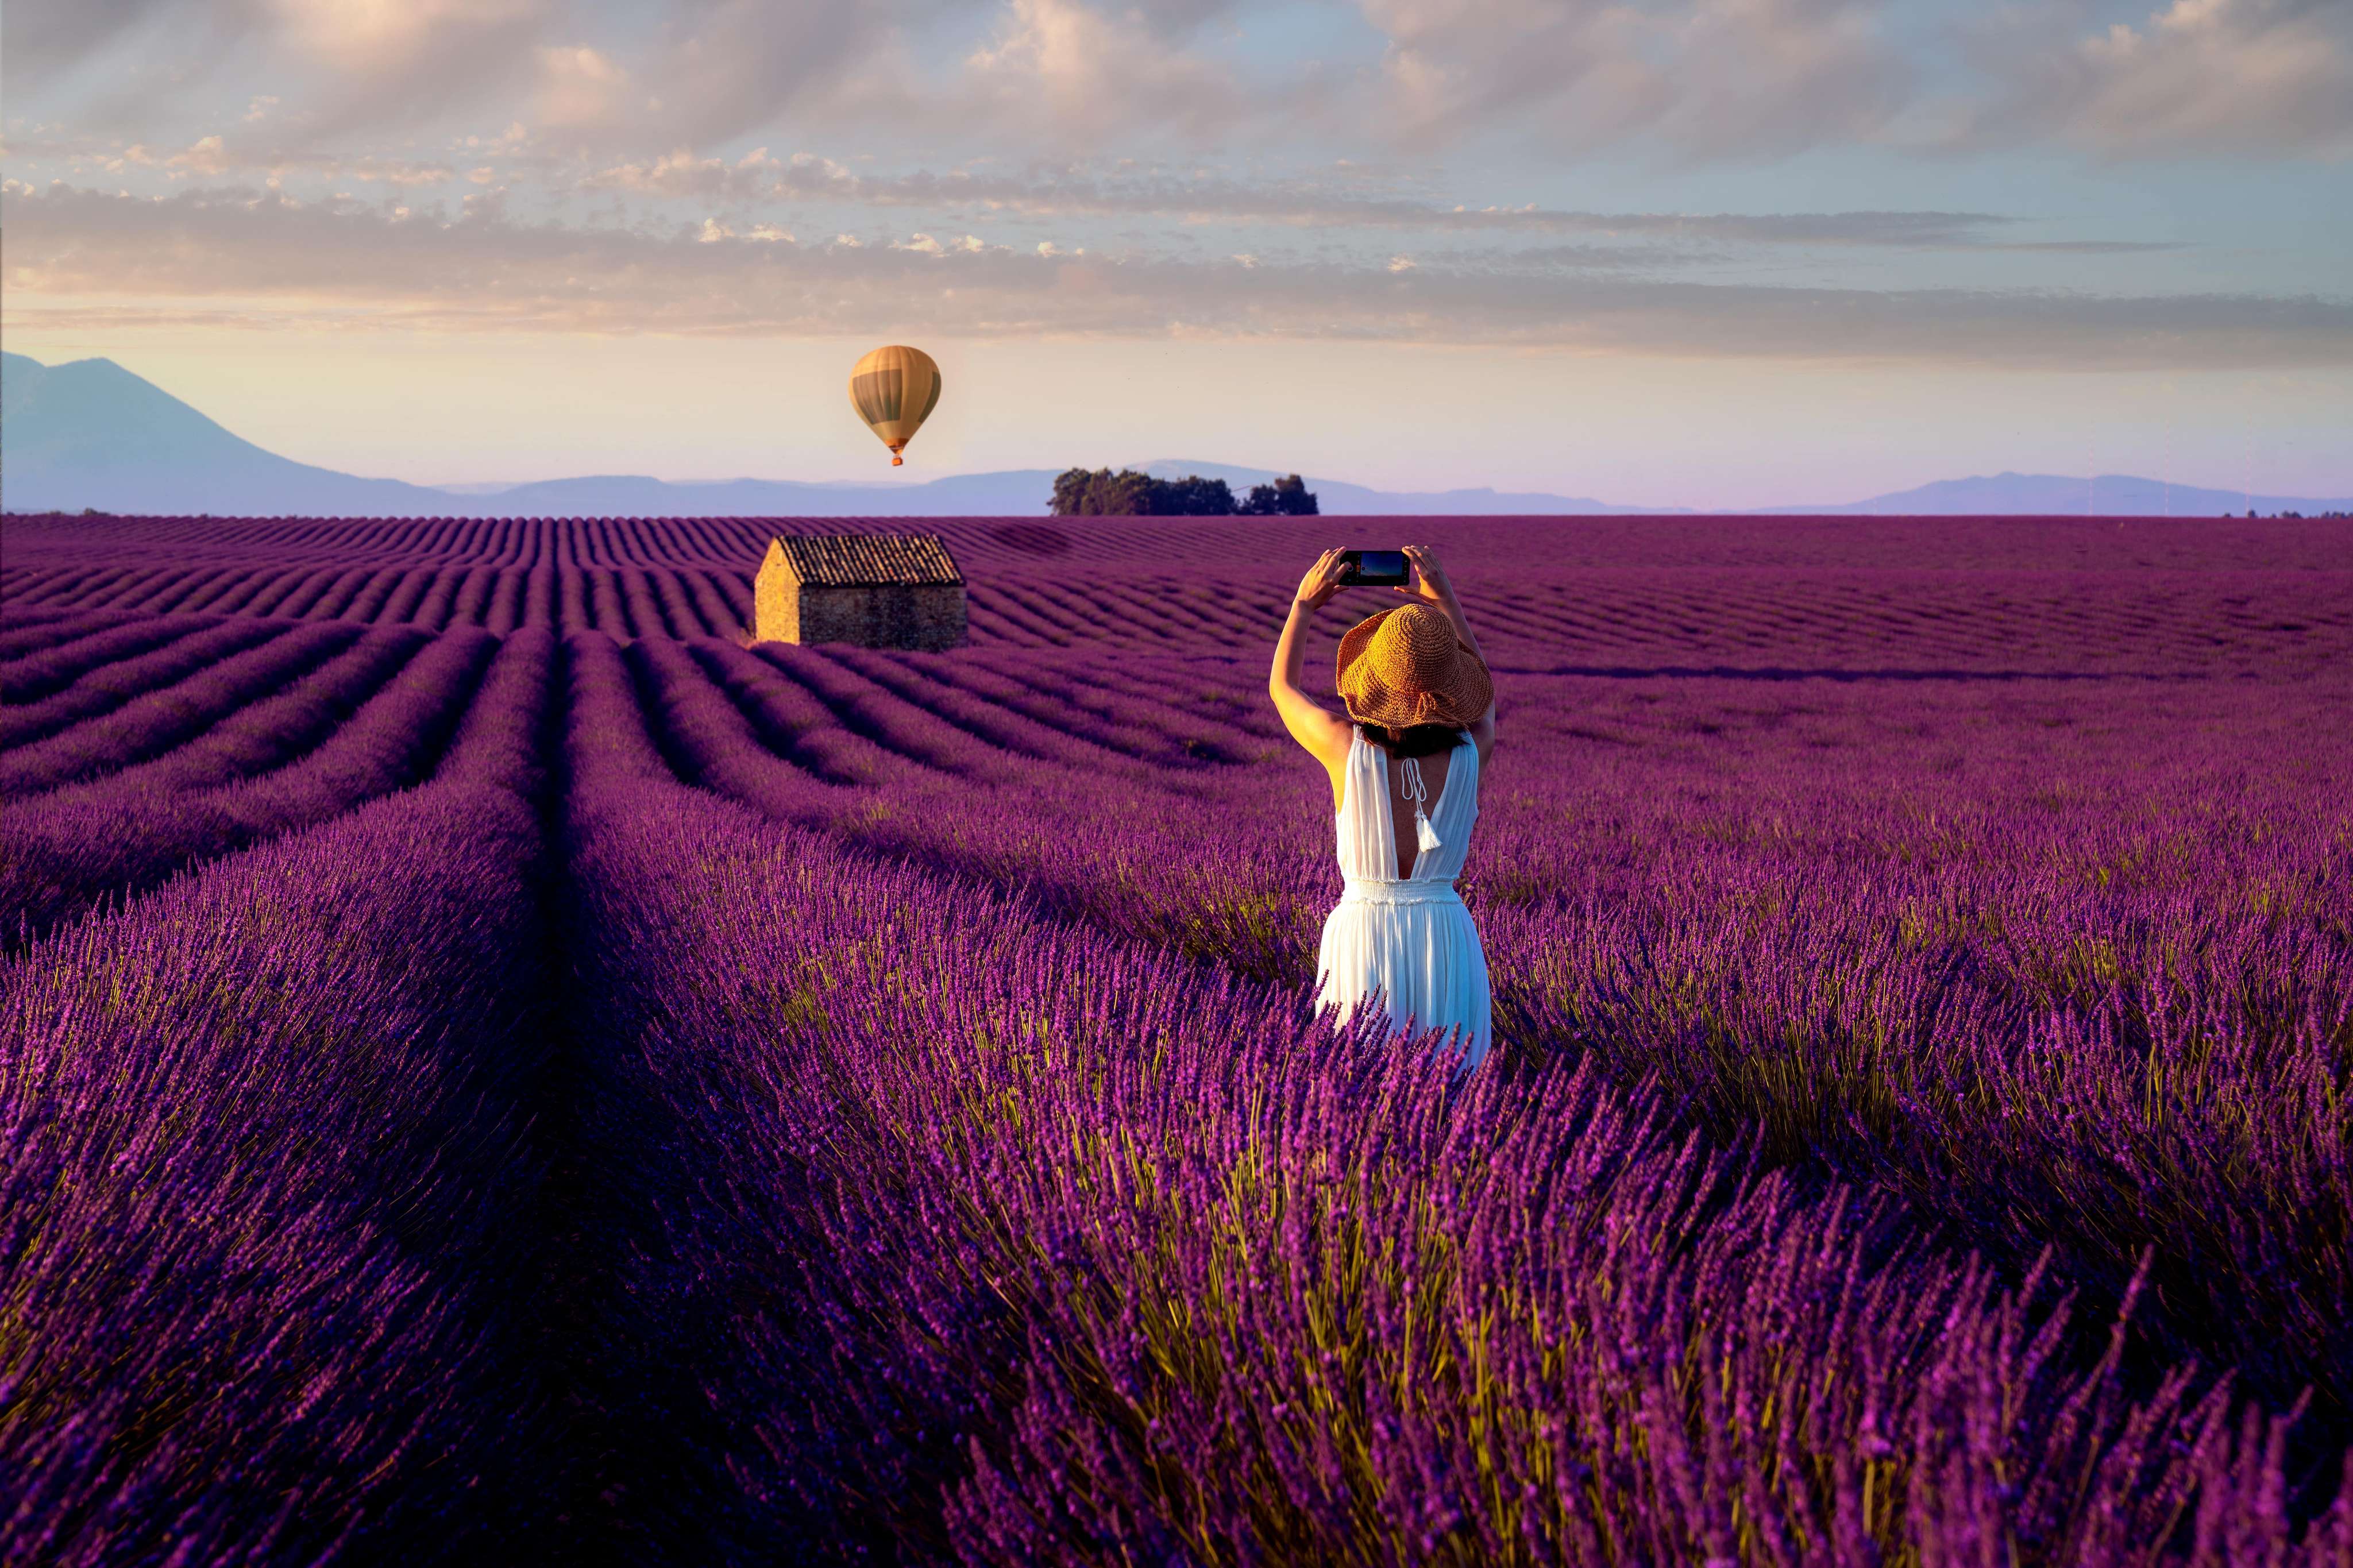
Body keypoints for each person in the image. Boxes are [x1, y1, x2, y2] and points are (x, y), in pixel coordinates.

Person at [1268, 545, 1496, 1069]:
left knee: (1359, 1092)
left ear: (1372, 682)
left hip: (1364, 931)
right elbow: (1484, 704)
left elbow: (1283, 690)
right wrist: (1449, 605)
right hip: (1445, 936)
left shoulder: (1343, 747)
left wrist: (1303, 607)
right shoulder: (1471, 751)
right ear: (1454, 684)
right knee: (1454, 1097)